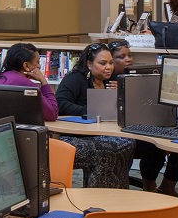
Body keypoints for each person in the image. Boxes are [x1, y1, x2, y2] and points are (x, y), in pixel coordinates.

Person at [51, 43, 136, 189]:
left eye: (110, 63)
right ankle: (100, 196)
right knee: (112, 149)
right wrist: (90, 111)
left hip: (102, 132)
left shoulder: (113, 79)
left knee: (128, 143)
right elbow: (60, 104)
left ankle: (119, 192)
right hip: (73, 136)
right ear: (89, 64)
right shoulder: (76, 79)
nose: (109, 67)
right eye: (102, 63)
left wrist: (122, 93)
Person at [108, 40, 169, 192]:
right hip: (115, 132)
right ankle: (147, 185)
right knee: (150, 147)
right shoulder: (106, 81)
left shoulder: (139, 77)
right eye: (121, 57)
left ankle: (157, 185)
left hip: (140, 127)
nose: (128, 59)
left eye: (129, 55)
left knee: (158, 145)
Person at [0, 43, 57, 121]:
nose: (39, 66)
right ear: (26, 66)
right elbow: (52, 113)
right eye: (37, 62)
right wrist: (43, 80)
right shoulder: (28, 85)